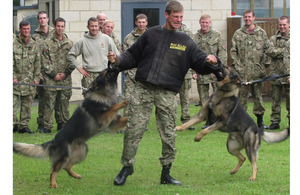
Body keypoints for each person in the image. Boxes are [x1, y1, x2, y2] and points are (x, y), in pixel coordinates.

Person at [108, 0, 225, 186]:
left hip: (167, 94)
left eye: (181, 17)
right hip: (143, 89)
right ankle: (127, 167)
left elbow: (201, 62)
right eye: (175, 17)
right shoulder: (151, 34)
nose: (179, 20)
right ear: (167, 15)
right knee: (133, 130)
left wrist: (212, 62)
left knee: (169, 134)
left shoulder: (185, 40)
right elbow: (131, 56)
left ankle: (166, 173)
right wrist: (117, 60)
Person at [230, 9, 270, 128]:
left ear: (254, 18)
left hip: (257, 73)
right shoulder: (238, 34)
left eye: (249, 17)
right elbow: (233, 51)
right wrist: (238, 67)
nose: (247, 19)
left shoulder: (261, 33)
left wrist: (263, 67)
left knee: (258, 97)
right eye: (245, 17)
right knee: (241, 99)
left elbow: (267, 51)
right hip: (242, 73)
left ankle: (260, 121)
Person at [193, 14, 227, 129]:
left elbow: (222, 53)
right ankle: (208, 120)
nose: (205, 25)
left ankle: (219, 120)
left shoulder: (217, 35)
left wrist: (218, 69)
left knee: (218, 97)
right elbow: (193, 56)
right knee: (204, 99)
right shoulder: (195, 37)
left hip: (214, 73)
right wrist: (194, 71)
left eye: (207, 22)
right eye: (203, 22)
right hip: (201, 72)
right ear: (199, 22)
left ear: (210, 23)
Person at [41, 17, 74, 133]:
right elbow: (44, 61)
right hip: (51, 79)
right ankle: (47, 126)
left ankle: (63, 124)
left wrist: (65, 74)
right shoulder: (47, 43)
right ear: (54, 26)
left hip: (65, 79)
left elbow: (72, 61)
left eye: (62, 26)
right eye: (58, 26)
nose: (60, 28)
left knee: (64, 103)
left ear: (64, 27)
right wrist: (54, 74)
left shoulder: (69, 43)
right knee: (49, 103)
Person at [67, 17, 119, 91]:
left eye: (95, 26)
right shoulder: (82, 41)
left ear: (99, 27)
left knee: (103, 100)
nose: (94, 28)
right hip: (89, 76)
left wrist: (112, 59)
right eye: (92, 26)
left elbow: (117, 54)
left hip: (103, 75)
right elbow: (70, 55)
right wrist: (79, 68)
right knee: (89, 101)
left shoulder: (106, 39)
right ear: (88, 27)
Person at [13, 20, 40, 133]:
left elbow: (37, 63)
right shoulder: (13, 43)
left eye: (28, 29)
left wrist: (36, 78)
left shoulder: (34, 44)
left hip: (29, 81)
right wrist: (12, 76)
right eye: (24, 29)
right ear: (20, 29)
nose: (27, 31)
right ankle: (13, 125)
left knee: (27, 106)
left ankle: (24, 126)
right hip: (16, 81)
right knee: (12, 106)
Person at [265, 16, 290, 130]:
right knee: (275, 100)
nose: (282, 27)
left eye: (284, 24)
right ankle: (275, 122)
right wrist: (285, 51)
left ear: (289, 24)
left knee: (291, 100)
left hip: (289, 74)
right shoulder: (273, 38)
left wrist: (278, 52)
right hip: (276, 74)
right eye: (280, 24)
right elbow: (270, 51)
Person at [122, 14, 148, 121]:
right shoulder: (129, 37)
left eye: (143, 22)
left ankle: (141, 122)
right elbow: (124, 54)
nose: (141, 24)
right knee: (128, 98)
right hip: (131, 74)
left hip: (145, 73)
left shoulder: (151, 35)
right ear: (136, 23)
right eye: (139, 22)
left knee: (143, 99)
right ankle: (125, 122)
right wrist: (126, 71)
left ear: (146, 23)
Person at [32, 11, 55, 133]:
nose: (42, 20)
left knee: (52, 99)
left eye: (44, 18)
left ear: (48, 19)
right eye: (40, 18)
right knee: (42, 98)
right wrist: (37, 73)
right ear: (38, 20)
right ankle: (41, 122)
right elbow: (34, 55)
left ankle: (55, 122)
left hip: (53, 71)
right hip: (41, 71)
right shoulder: (35, 36)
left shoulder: (54, 33)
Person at [178, 23, 195, 130]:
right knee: (167, 98)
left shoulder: (187, 31)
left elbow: (193, 51)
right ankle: (167, 121)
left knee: (184, 97)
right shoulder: (165, 30)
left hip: (184, 70)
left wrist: (193, 70)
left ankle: (186, 120)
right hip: (169, 71)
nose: (177, 19)